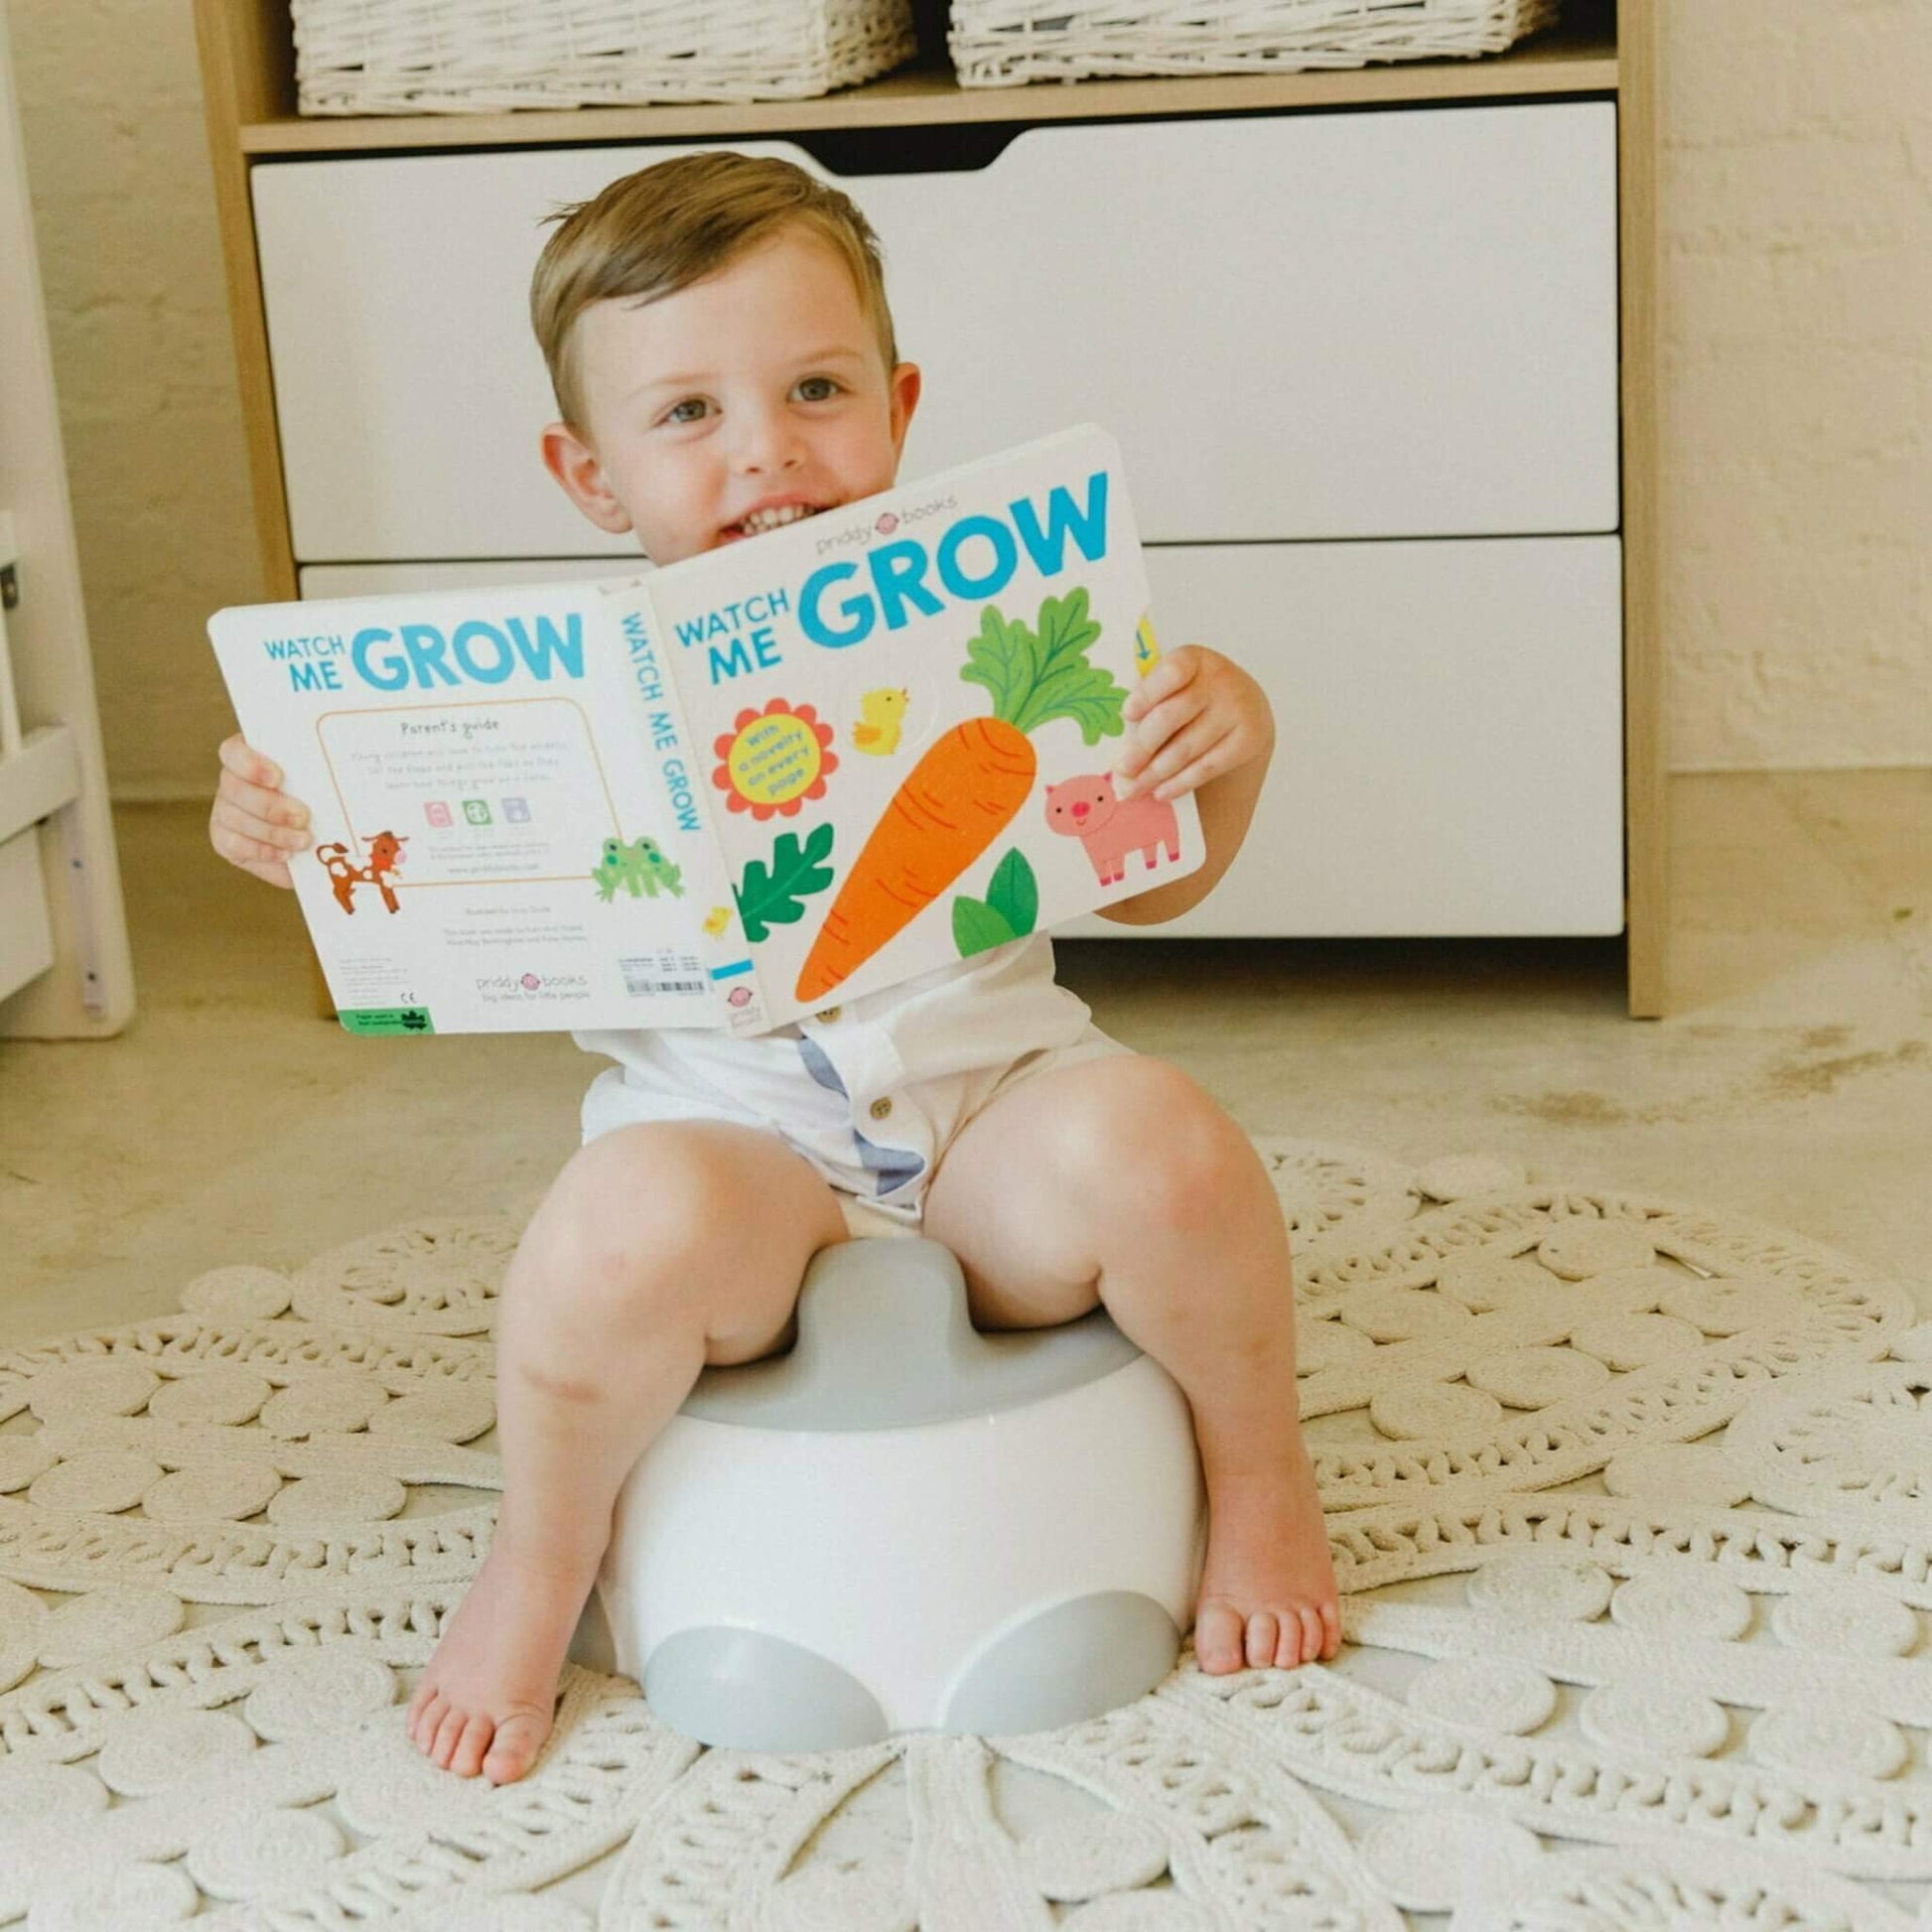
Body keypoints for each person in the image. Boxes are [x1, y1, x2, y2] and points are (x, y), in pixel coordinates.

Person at [208, 151, 1339, 1786]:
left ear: (898, 401)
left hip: (990, 1126)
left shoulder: (997, 616)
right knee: (604, 1239)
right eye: (685, 415)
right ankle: (540, 1555)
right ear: (587, 474)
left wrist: (1225, 748)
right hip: (735, 1161)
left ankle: (1259, 1476)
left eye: (817, 387)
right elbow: (414, 933)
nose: (766, 449)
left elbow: (1155, 890)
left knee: (1167, 1147)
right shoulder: (553, 701)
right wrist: (302, 831)